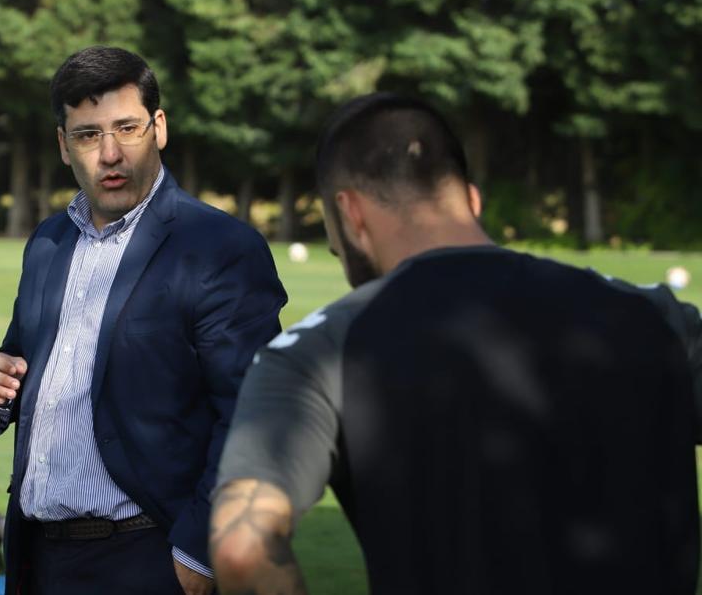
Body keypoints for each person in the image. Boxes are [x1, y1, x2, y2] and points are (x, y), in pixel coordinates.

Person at [210, 93, 702, 595]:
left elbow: (242, 549)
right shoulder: (654, 316)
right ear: (471, 198)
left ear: (351, 214)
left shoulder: (319, 351)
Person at [0, 45, 288, 595]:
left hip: (148, 558)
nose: (111, 153)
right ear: (63, 145)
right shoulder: (47, 242)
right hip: (38, 558)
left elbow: (254, 412)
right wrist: (0, 390)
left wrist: (197, 552)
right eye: (89, 134)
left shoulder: (218, 247)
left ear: (159, 127)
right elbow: (31, 368)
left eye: (127, 128)